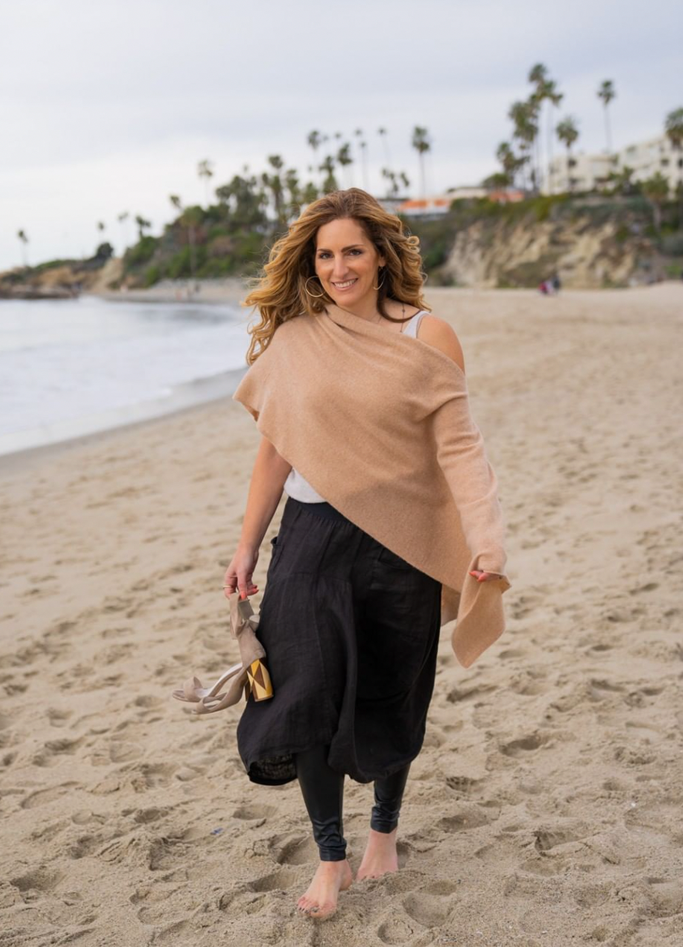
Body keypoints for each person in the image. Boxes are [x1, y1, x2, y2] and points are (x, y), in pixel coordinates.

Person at [224, 188, 510, 921]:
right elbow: (273, 455)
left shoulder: (427, 335)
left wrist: (485, 536)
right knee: (305, 695)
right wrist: (246, 545)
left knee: (390, 689)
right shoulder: (296, 337)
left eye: (353, 250)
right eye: (324, 254)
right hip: (312, 542)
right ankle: (331, 855)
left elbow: (459, 446)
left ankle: (383, 831)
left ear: (382, 254)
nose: (337, 266)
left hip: (401, 542)